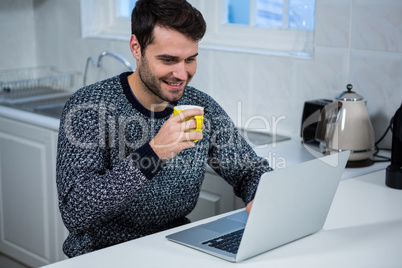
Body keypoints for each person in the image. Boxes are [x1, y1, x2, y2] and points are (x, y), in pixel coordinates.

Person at [56, 0, 272, 258]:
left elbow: (249, 171)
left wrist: (261, 196)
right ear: (136, 48)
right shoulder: (89, 107)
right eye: (168, 59)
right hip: (101, 255)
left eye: (190, 59)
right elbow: (76, 212)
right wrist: (153, 154)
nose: (182, 74)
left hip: (173, 249)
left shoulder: (201, 106)